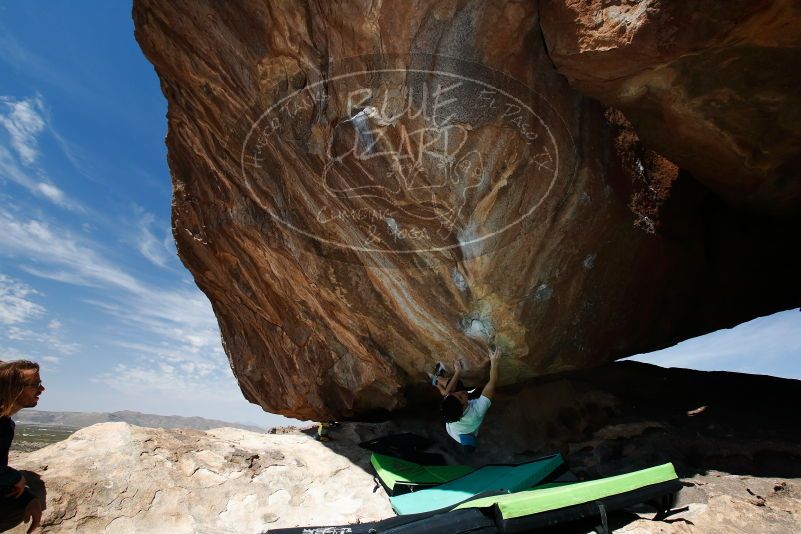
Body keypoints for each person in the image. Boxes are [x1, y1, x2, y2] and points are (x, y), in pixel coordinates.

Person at [0, 360, 45, 533]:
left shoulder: (5, 424)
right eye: (35, 385)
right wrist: (14, 477)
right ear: (12, 388)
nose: (41, 390)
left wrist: (26, 498)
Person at [440, 346, 500, 450]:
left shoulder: (450, 407)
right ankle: (438, 381)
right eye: (460, 396)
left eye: (456, 394)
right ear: (464, 407)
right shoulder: (476, 413)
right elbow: (492, 382)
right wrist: (495, 361)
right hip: (464, 424)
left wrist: (457, 372)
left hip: (453, 424)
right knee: (458, 386)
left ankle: (437, 380)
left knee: (453, 384)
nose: (460, 392)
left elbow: (447, 393)